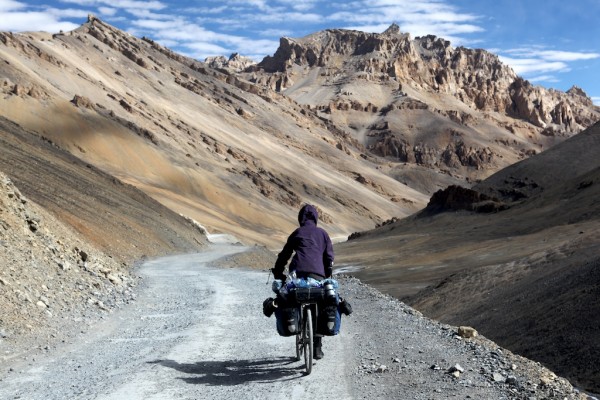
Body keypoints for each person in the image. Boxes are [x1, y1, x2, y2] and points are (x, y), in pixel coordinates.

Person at [272, 204, 334, 359]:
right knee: (320, 303)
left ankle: (296, 325)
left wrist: (278, 271)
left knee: (293, 297)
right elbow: (329, 258)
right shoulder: (323, 234)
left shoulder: (297, 233)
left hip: (298, 274)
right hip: (318, 274)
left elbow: (284, 255)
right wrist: (328, 275)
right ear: (316, 218)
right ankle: (317, 347)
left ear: (301, 218)